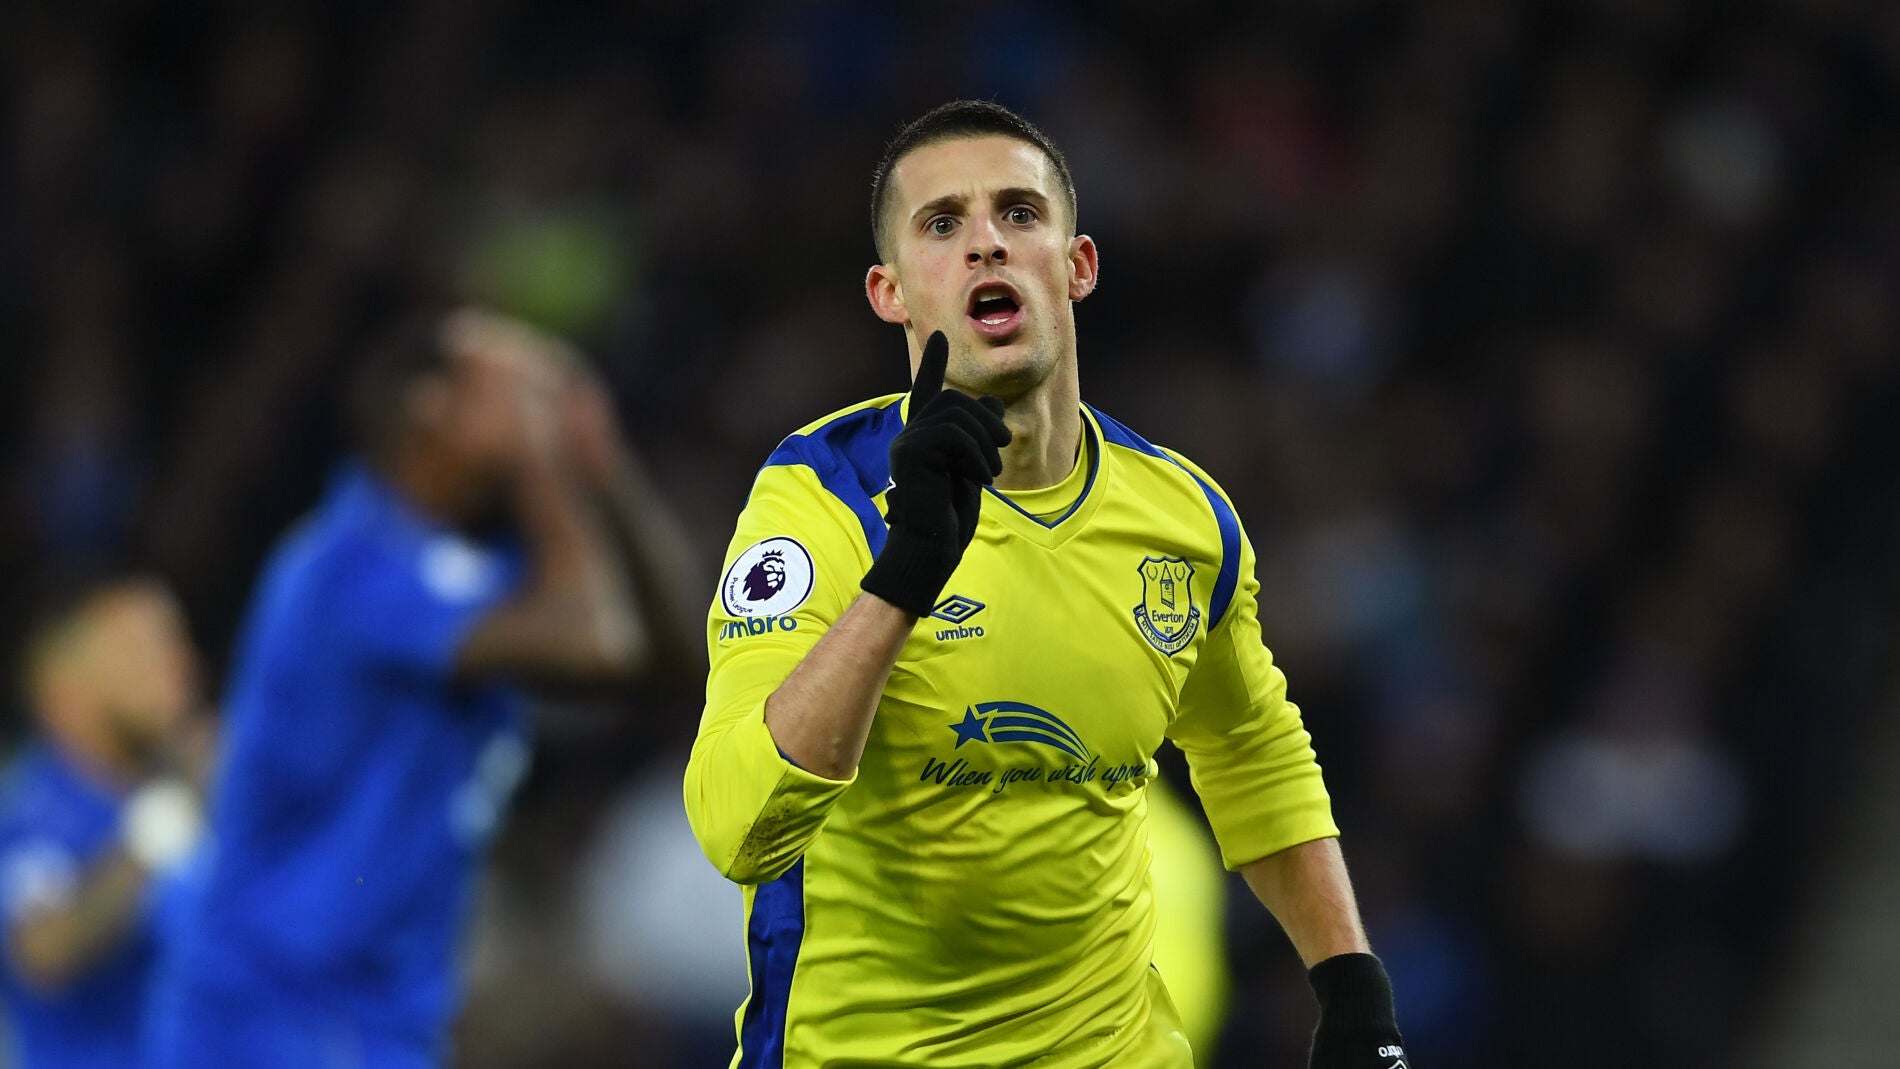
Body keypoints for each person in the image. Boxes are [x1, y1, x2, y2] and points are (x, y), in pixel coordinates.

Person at [686, 100, 1412, 1068]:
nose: (985, 241)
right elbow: (738, 825)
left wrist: (1351, 988)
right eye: (942, 224)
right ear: (889, 291)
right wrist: (898, 584)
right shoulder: (820, 499)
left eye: (1018, 213)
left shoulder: (1182, 516)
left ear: (1077, 266)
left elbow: (1249, 750)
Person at [146, 308, 703, 1069]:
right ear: (429, 403)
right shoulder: (347, 565)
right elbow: (598, 641)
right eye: (515, 382)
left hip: (376, 1015)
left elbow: (685, 653)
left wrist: (605, 465)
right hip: (270, 1012)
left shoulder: (482, 568)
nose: (544, 399)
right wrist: (546, 462)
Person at [0, 575, 209, 1068]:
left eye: (175, 641)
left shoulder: (180, 793)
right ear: (63, 683)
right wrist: (163, 829)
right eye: (139, 648)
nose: (177, 666)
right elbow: (44, 951)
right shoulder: (36, 812)